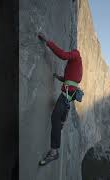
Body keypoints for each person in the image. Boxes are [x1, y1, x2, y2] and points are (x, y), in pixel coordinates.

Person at [37, 34, 83, 166]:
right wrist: (59, 77)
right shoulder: (76, 64)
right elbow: (72, 78)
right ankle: (62, 121)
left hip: (68, 93)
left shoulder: (76, 54)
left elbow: (63, 55)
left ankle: (53, 152)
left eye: (72, 51)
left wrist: (48, 41)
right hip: (70, 93)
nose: (71, 52)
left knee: (54, 118)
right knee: (61, 114)